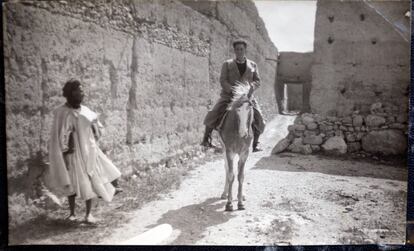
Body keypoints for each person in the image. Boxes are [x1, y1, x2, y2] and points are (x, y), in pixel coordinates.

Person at [44, 79, 122, 223]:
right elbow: (57, 135)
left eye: (83, 90)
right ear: (72, 93)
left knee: (89, 182)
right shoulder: (61, 113)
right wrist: (66, 147)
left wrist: (94, 128)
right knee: (71, 182)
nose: (83, 93)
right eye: (80, 91)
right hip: (71, 154)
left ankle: (88, 214)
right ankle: (72, 213)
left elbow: (99, 129)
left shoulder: (86, 111)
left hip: (88, 152)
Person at [201, 39, 265, 152]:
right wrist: (231, 89)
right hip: (229, 96)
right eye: (237, 49)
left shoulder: (253, 65)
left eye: (241, 49)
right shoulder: (227, 64)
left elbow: (257, 81)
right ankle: (207, 138)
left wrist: (252, 87)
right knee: (213, 112)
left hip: (247, 97)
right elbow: (223, 80)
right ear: (234, 50)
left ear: (245, 50)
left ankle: (255, 143)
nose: (239, 51)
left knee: (259, 117)